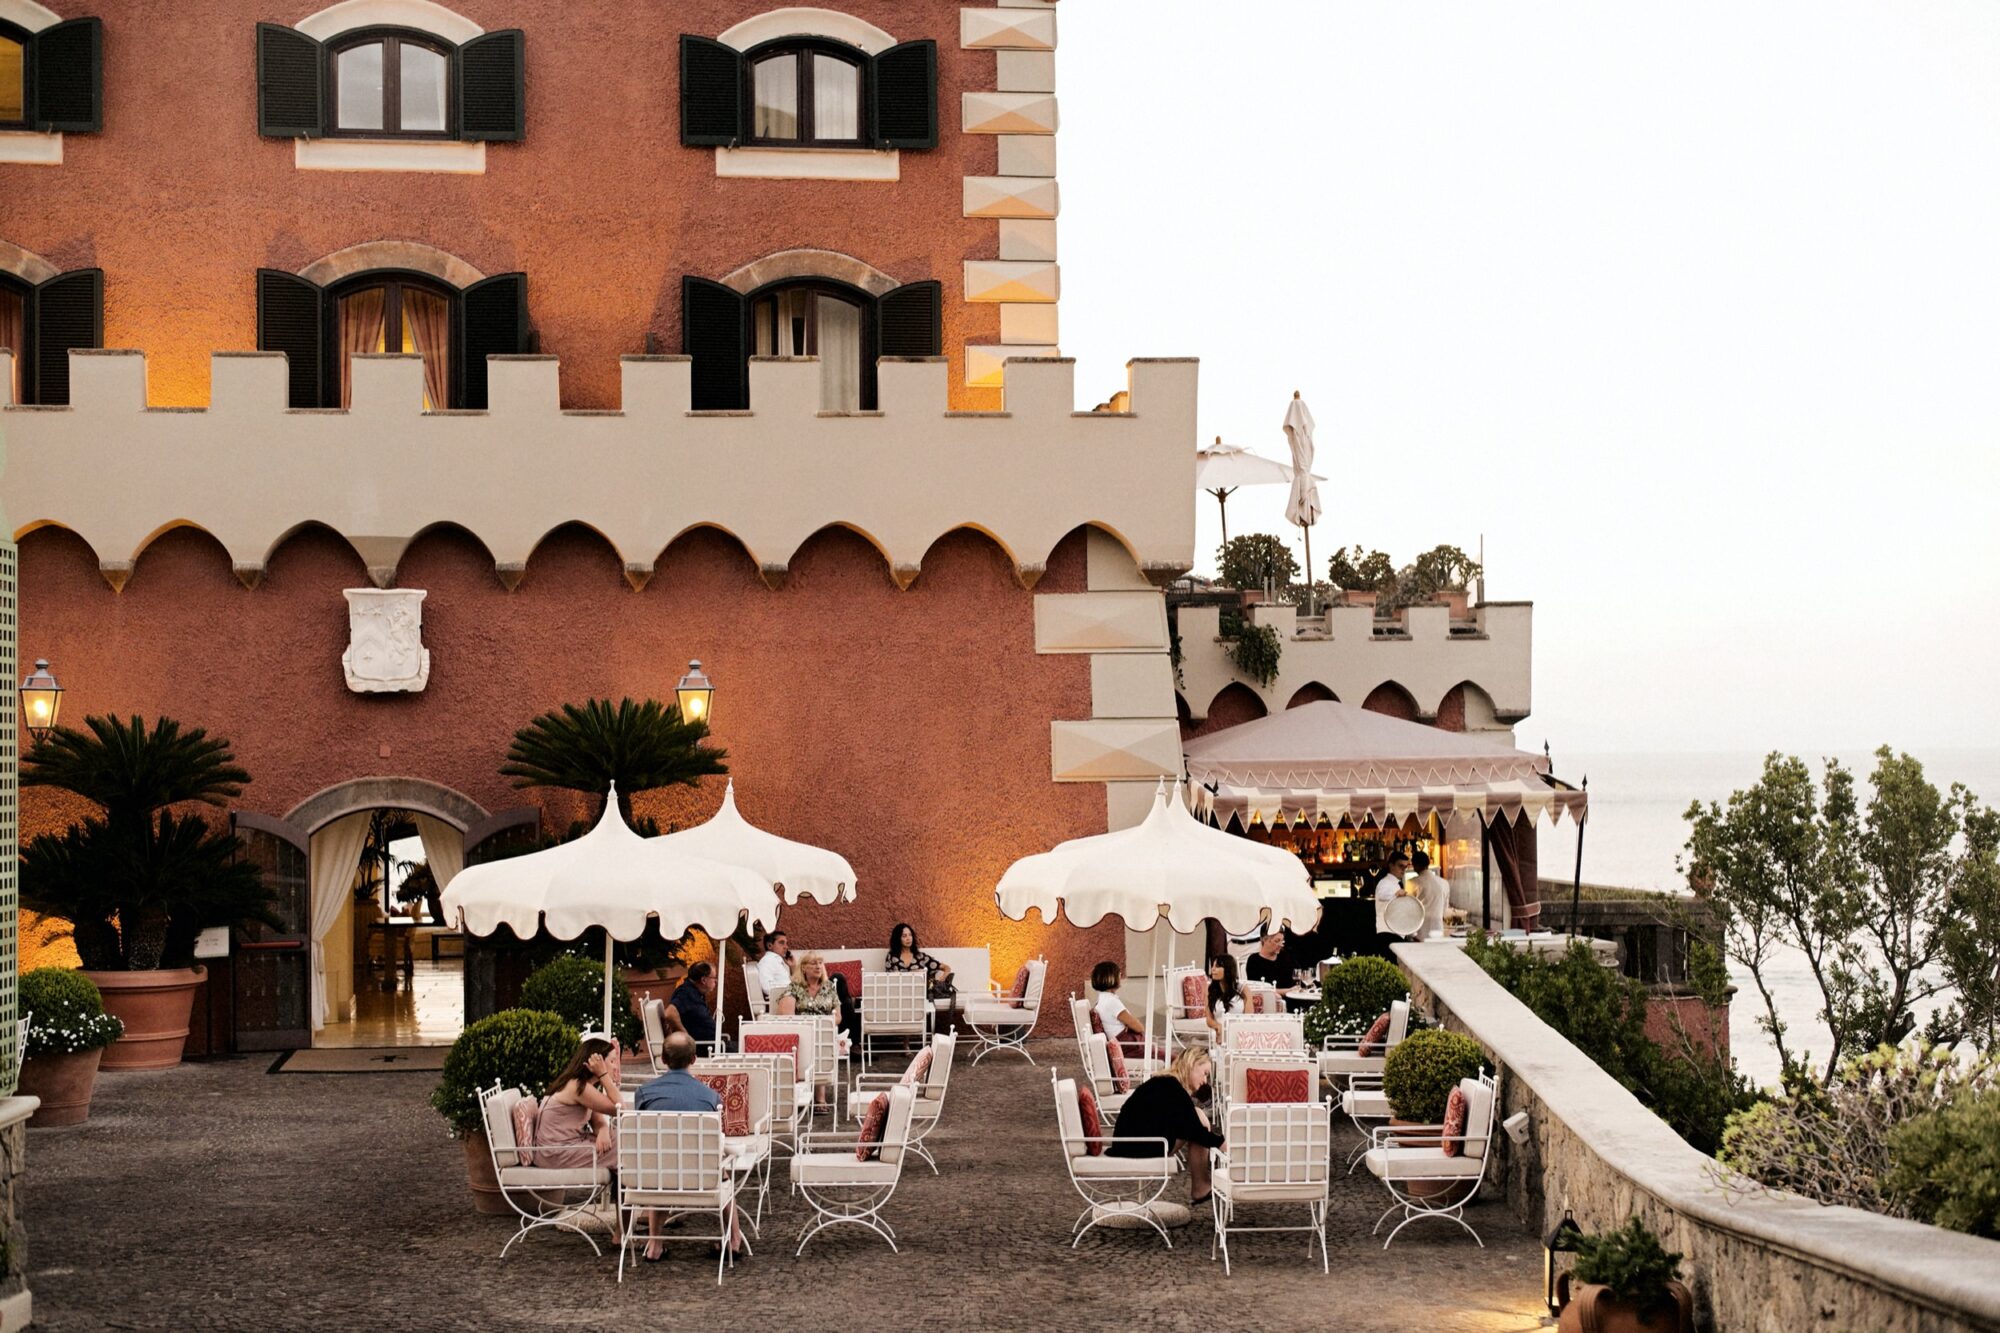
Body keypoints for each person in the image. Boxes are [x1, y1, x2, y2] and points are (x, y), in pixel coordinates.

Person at [631, 1032, 742, 1260]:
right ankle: (734, 1239)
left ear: (663, 1058)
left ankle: (654, 1244)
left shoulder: (644, 1093)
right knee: (724, 1170)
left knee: (660, 1155)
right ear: (694, 1060)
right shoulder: (709, 1096)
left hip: (655, 1178)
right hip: (700, 1177)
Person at [1107, 1044, 1225, 1207]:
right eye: (1205, 1074)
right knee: (1199, 1123)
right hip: (1136, 1146)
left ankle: (1201, 1185)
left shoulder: (1166, 1083)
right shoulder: (1172, 1087)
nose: (1205, 1081)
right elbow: (1193, 1130)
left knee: (1197, 1116)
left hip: (1131, 1143)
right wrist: (1221, 1143)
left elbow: (1184, 1123)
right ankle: (1201, 1186)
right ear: (1192, 1064)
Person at [535, 1034, 621, 1170]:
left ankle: (621, 1190)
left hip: (564, 1148)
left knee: (621, 1138)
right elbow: (620, 1109)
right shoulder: (577, 1086)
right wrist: (604, 1075)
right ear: (598, 1063)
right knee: (626, 1144)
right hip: (555, 1154)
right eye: (612, 1061)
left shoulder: (582, 1085)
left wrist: (604, 1130)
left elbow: (597, 1121)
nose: (615, 1067)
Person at [776, 951, 842, 1104]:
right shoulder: (795, 987)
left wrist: (823, 1024)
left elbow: (838, 1017)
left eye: (820, 962)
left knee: (820, 1041)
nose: (818, 966)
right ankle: (804, 1092)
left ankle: (820, 1095)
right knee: (811, 1042)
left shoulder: (829, 987)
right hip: (801, 1032)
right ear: (804, 968)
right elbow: (786, 1014)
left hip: (823, 1032)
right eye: (813, 963)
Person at [1089, 960, 1150, 1059]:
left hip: (1124, 1046)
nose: (1120, 976)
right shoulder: (1112, 1002)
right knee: (1172, 1059)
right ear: (1110, 978)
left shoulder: (1102, 1000)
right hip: (1129, 1047)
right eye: (1118, 973)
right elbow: (1139, 1027)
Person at [884, 922, 955, 1000]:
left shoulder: (920, 957)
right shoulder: (892, 956)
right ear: (898, 938)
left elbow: (946, 968)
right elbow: (889, 979)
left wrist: (943, 978)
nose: (908, 938)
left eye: (910, 935)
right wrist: (913, 973)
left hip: (919, 998)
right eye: (904, 936)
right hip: (898, 998)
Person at [670, 961, 724, 1051]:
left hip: (714, 1045)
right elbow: (670, 1013)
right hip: (708, 1049)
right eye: (714, 978)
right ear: (703, 980)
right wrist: (686, 1037)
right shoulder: (687, 993)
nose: (716, 981)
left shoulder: (696, 992)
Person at [1373, 849, 1413, 956]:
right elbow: (1382, 895)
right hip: (1387, 936)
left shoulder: (1396, 884)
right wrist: (1395, 895)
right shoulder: (1384, 883)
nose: (1403, 870)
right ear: (1391, 865)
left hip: (1396, 935)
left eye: (1406, 867)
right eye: (1401, 866)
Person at [1410, 849, 1450, 941]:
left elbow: (1409, 910)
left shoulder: (1412, 883)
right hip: (1438, 930)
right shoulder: (1444, 883)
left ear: (1415, 865)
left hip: (1419, 933)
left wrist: (1412, 934)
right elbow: (1444, 910)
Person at [1204, 953, 1244, 1039]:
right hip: (1219, 1032)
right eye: (1213, 966)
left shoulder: (1242, 989)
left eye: (1217, 966)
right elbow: (1209, 1019)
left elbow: (1249, 1016)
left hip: (1239, 1032)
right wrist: (1218, 1027)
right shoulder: (1210, 989)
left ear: (1227, 969)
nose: (1213, 969)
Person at [756, 929, 794, 1005]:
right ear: (770, 945)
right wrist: (789, 990)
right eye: (781, 943)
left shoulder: (777, 961)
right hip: (783, 1003)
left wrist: (793, 966)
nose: (786, 947)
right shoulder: (767, 961)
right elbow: (767, 987)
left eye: (786, 943)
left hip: (789, 999)